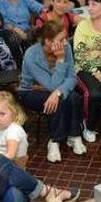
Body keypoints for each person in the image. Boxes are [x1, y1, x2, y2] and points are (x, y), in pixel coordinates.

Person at [18, 19, 87, 162]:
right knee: (61, 101)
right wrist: (60, 60)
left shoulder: (65, 48)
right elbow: (50, 85)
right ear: (48, 42)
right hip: (31, 91)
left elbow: (72, 78)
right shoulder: (31, 54)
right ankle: (54, 141)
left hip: (55, 89)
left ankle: (74, 135)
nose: (66, 42)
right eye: (62, 39)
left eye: (66, 38)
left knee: (74, 97)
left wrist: (58, 92)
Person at [73, 0, 101, 141]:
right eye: (89, 4)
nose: (89, 8)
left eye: (94, 4)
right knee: (95, 93)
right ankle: (88, 125)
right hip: (84, 67)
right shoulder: (83, 26)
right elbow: (80, 55)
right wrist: (95, 71)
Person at [0, 90, 29, 167]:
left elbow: (10, 155)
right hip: (5, 162)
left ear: (13, 112)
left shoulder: (13, 132)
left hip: (11, 167)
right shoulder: (5, 127)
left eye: (2, 114)